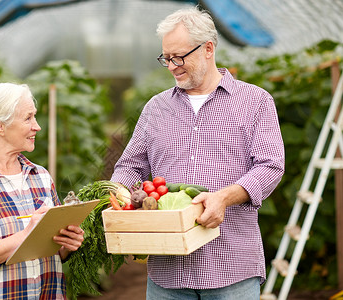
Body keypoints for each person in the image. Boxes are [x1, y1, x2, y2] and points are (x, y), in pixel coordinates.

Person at [111, 6, 285, 300]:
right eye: (166, 58)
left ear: (208, 48)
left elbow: (270, 166)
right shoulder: (157, 108)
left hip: (231, 266)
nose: (172, 65)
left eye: (179, 56)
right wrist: (117, 193)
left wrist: (223, 198)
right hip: (168, 270)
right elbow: (131, 165)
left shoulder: (254, 101)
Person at [0, 83, 84, 300]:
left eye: (35, 117)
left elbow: (53, 248)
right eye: (28, 118)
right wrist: (26, 233)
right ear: (0, 126)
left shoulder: (40, 177)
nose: (37, 126)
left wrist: (67, 243)